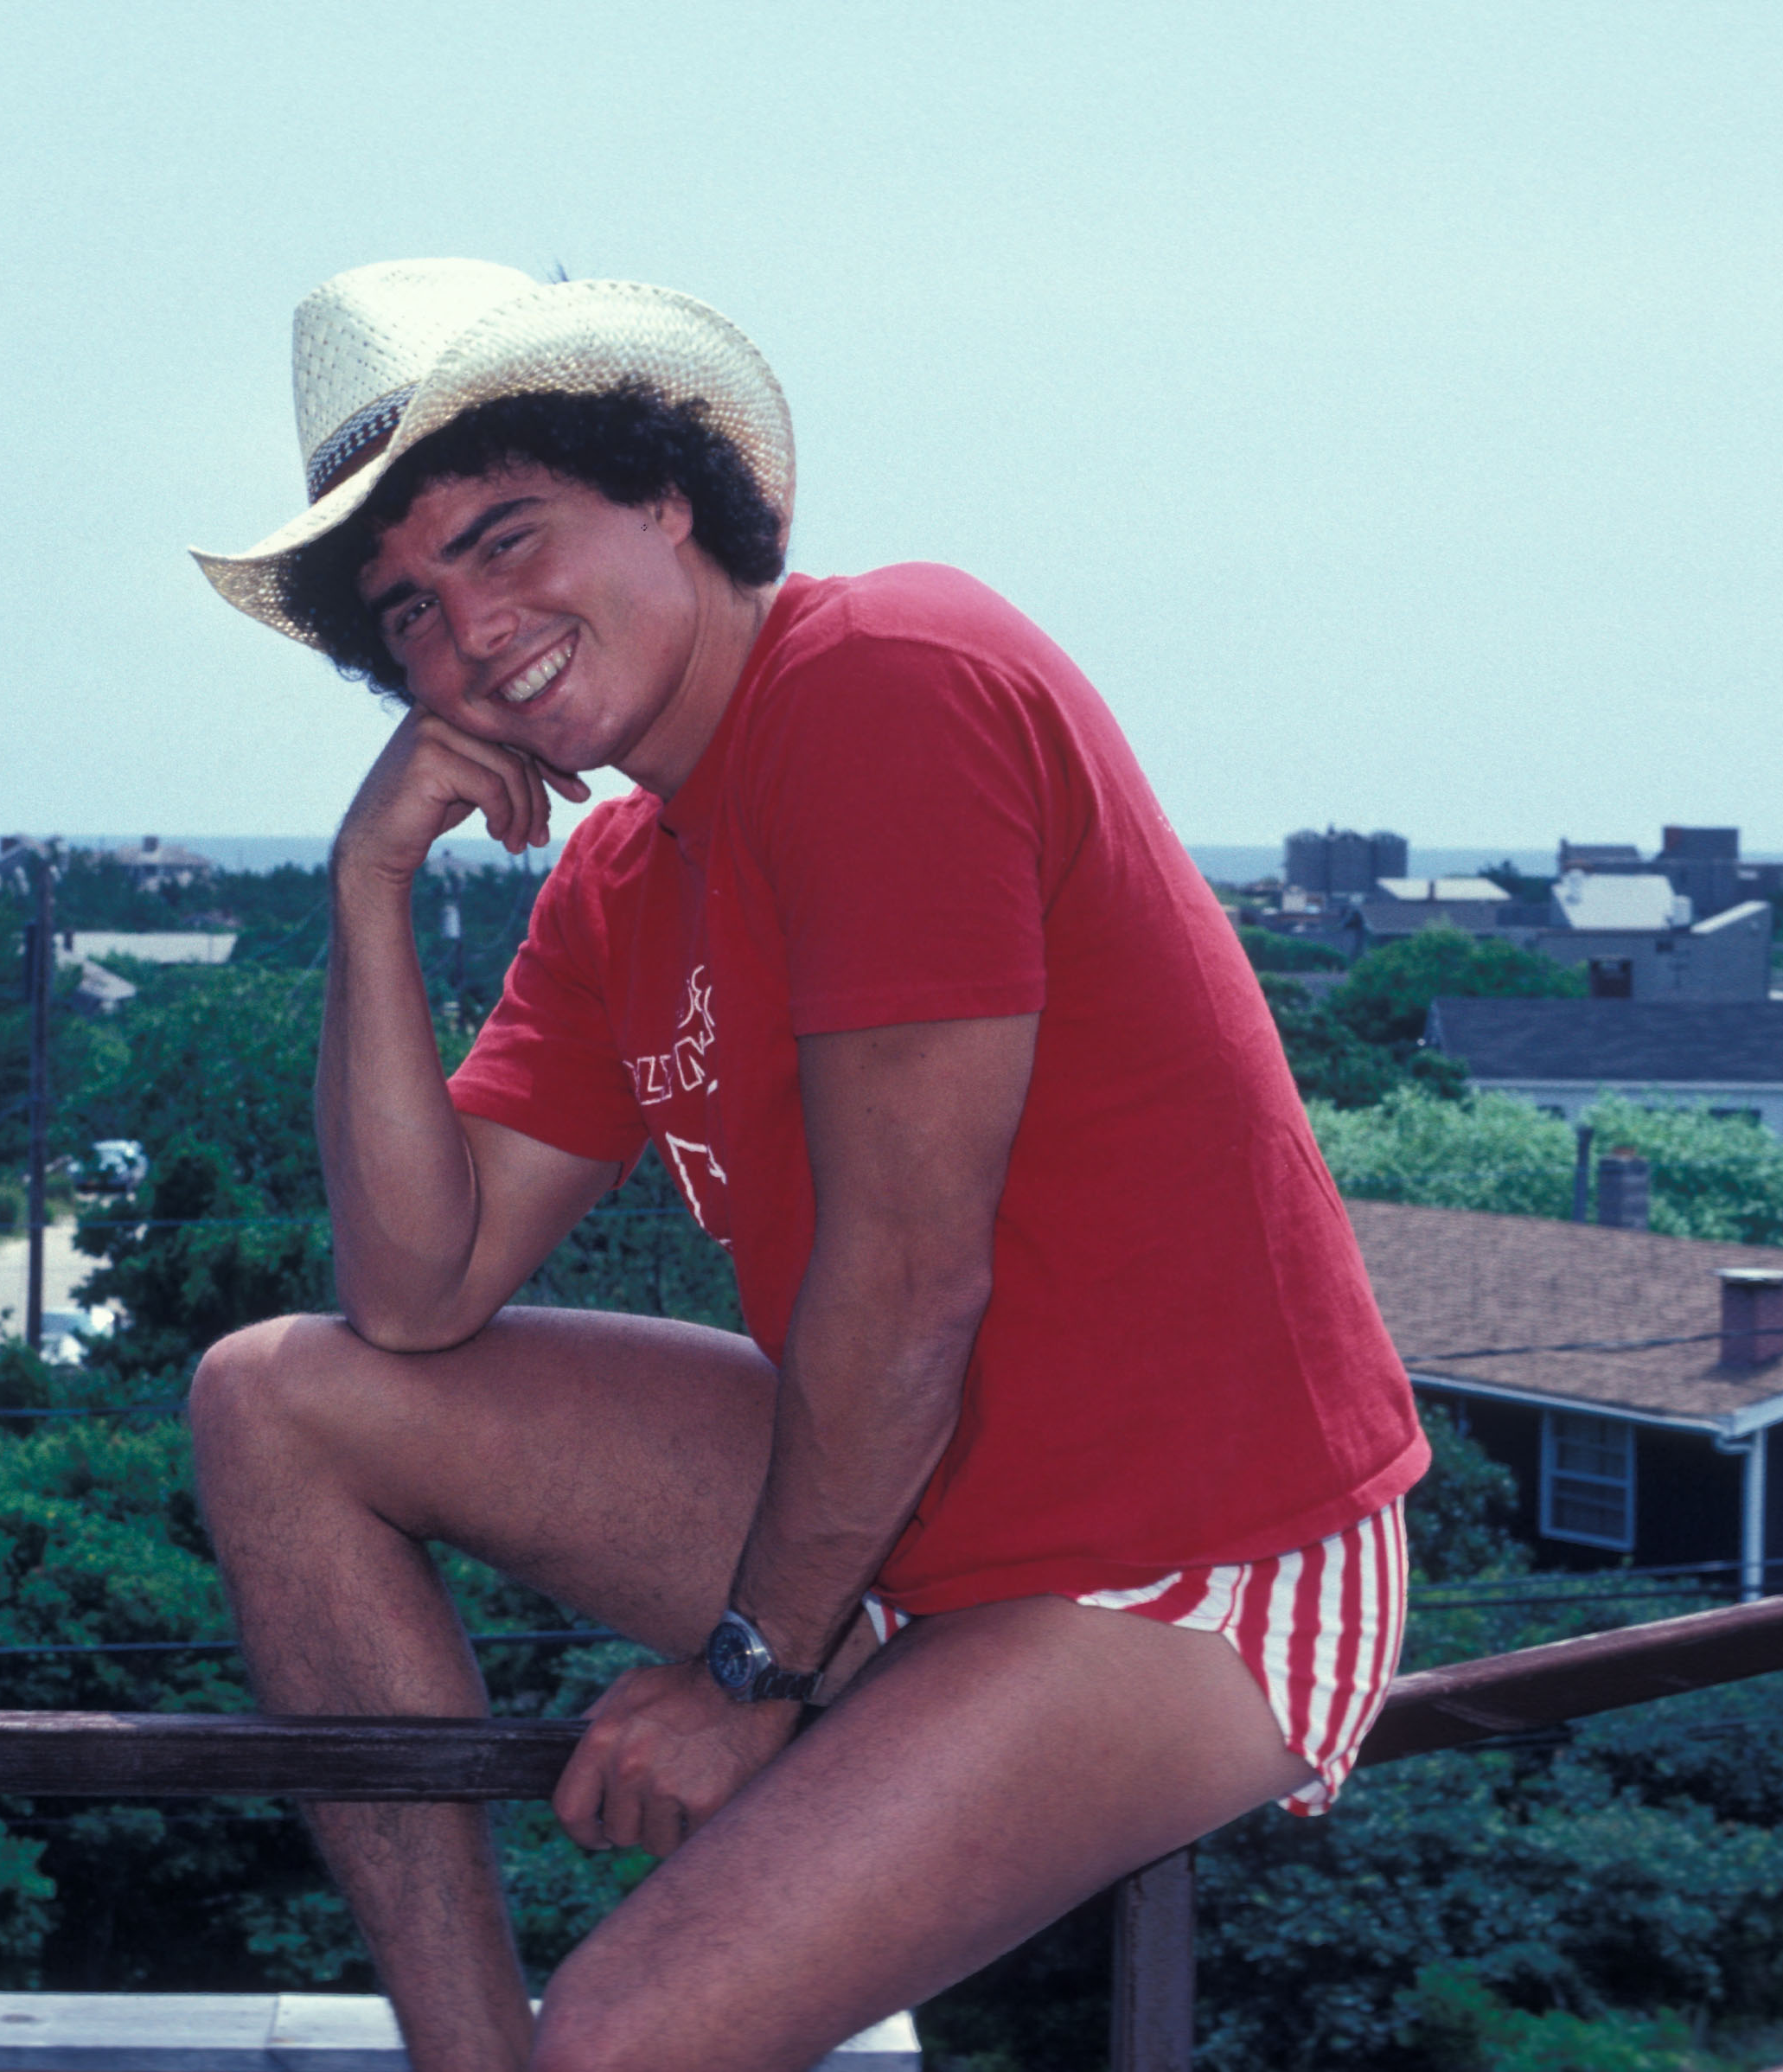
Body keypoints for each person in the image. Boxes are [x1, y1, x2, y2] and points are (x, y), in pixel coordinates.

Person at [184, 258, 1427, 2072]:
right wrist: (368, 888)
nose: (469, 630)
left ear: (663, 491)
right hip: (909, 1519)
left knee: (622, 2038)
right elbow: (412, 1291)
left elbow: (910, 1274)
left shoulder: (884, 678)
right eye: (412, 613)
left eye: (506, 537)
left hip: (1187, 1563)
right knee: (274, 1397)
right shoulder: (625, 883)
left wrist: (743, 1676)